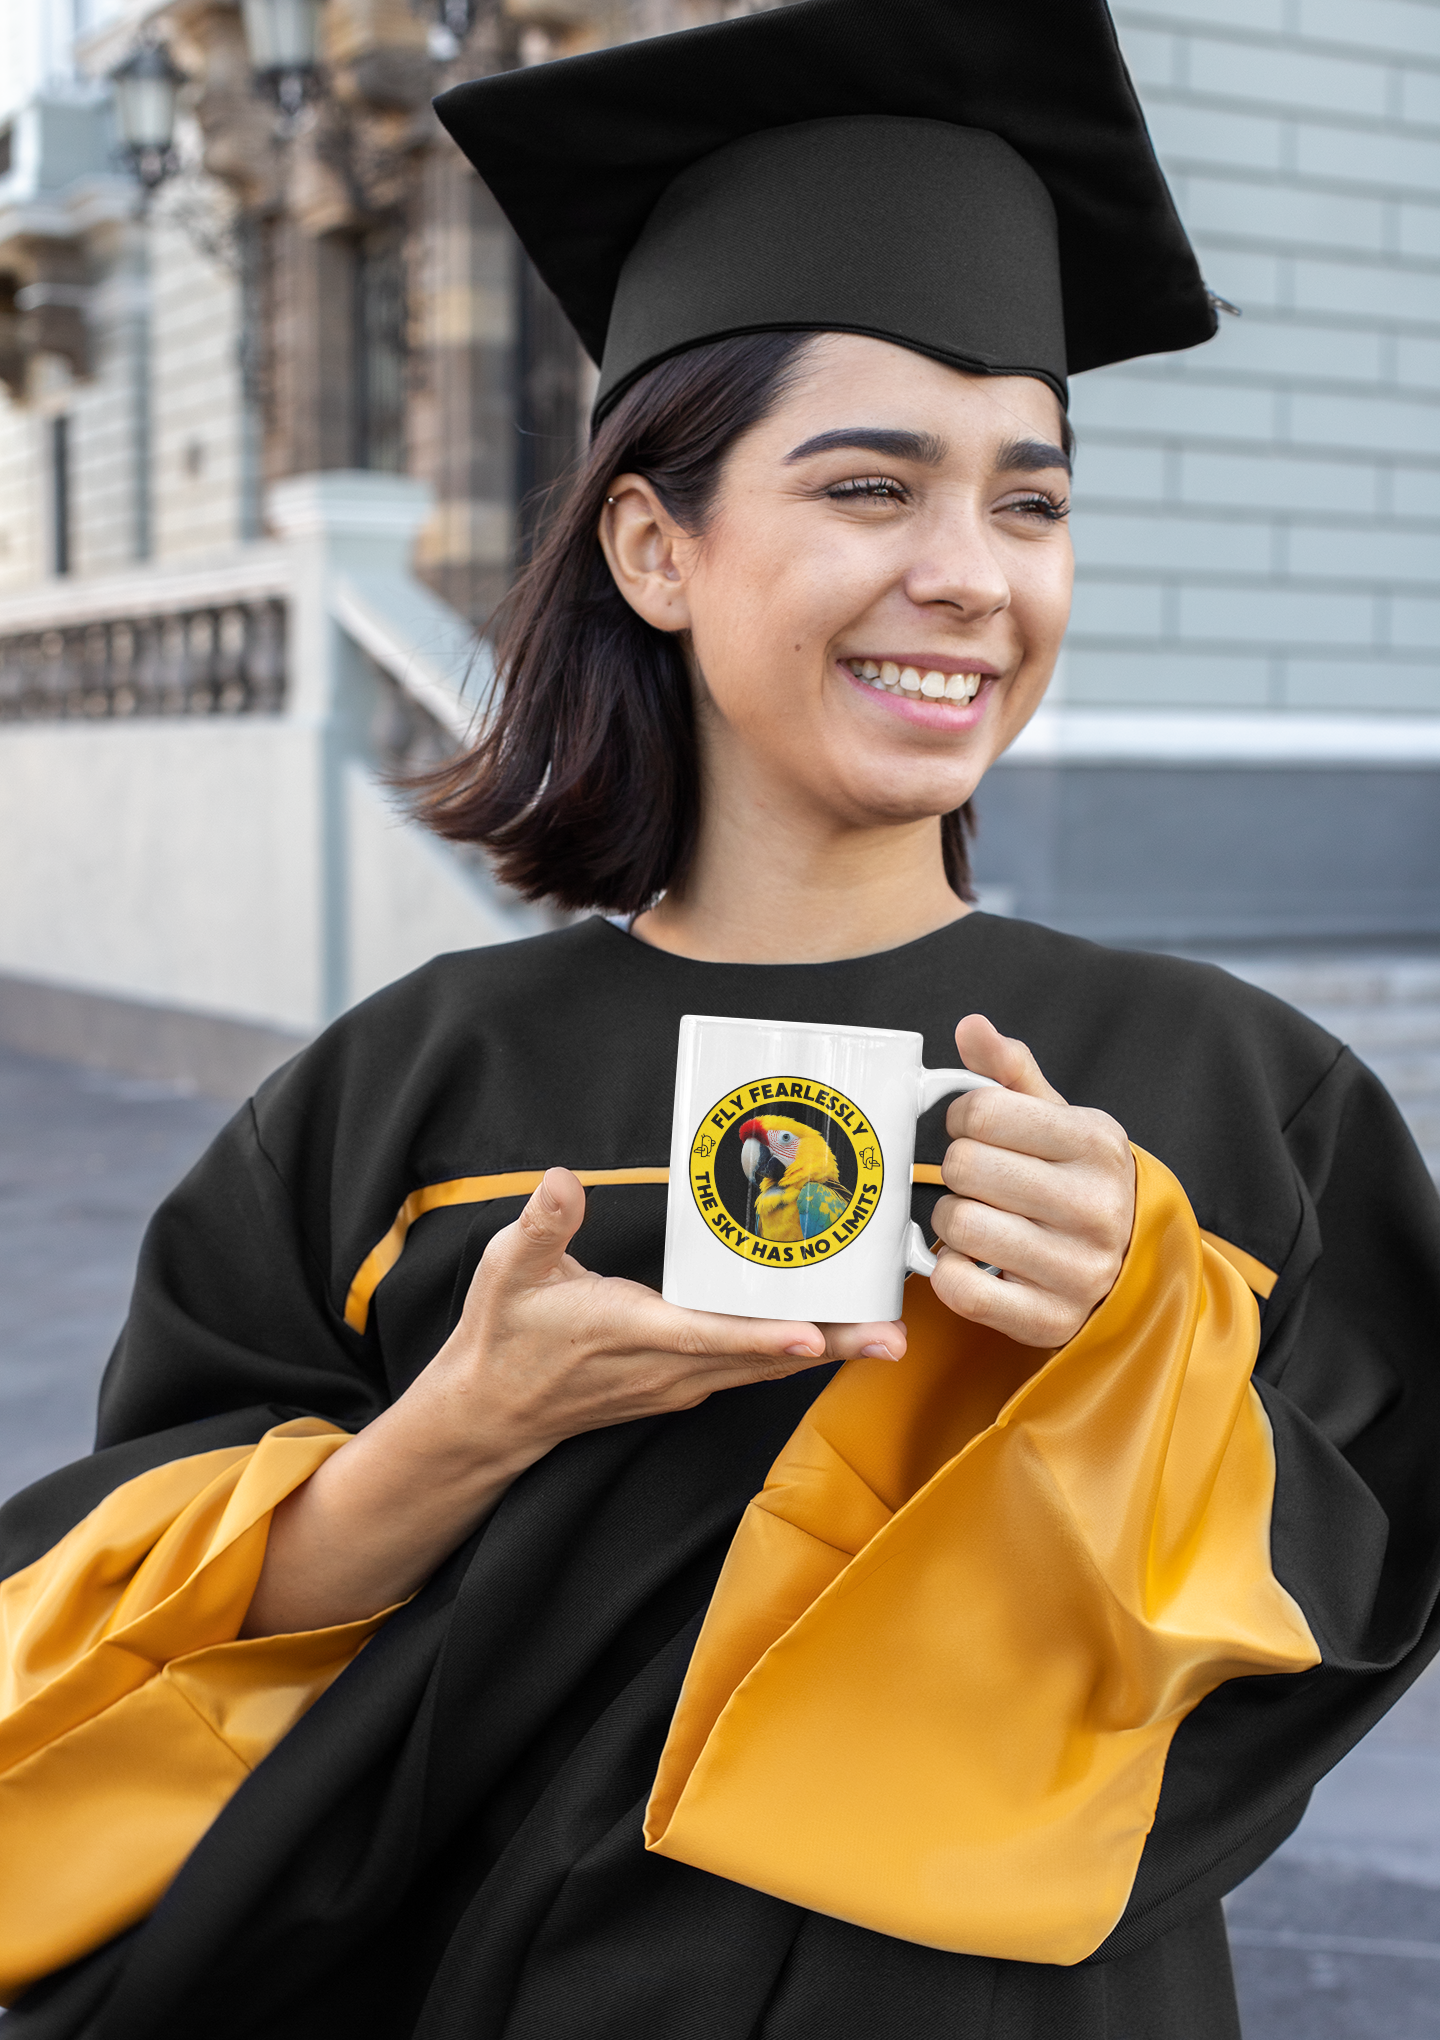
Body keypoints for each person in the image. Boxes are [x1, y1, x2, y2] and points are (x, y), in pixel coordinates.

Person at [3, 1, 1439, 2034]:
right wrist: (449, 1438)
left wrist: (1143, 1345)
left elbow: (1336, 1613)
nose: (971, 574)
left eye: (1029, 501)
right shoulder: (413, 1089)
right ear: (658, 546)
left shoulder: (1222, 1096)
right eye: (871, 487)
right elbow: (96, 1665)